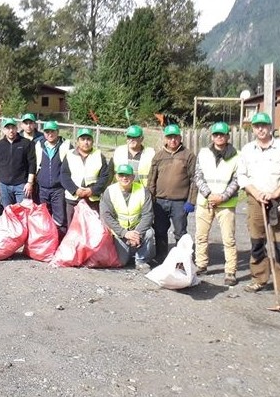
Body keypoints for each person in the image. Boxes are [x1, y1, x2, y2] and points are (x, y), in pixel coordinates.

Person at [236, 112, 280, 304]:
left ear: (270, 126)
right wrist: (256, 193)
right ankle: (259, 279)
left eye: (264, 125)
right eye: (257, 126)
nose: (260, 129)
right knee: (257, 243)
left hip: (278, 202)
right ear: (253, 128)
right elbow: (242, 176)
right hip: (255, 201)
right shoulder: (248, 150)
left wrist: (274, 193)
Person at [193, 122, 240, 285]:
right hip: (205, 201)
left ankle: (230, 271)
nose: (219, 137)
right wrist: (209, 194)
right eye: (216, 134)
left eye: (222, 134)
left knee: (228, 239)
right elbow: (198, 176)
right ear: (212, 136)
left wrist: (223, 197)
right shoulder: (203, 153)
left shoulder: (237, 155)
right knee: (200, 236)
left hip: (226, 204)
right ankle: (201, 264)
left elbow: (237, 180)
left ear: (228, 136)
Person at [147, 124, 197, 262]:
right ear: (166, 139)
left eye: (175, 137)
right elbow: (152, 179)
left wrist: (191, 201)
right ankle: (161, 256)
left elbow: (194, 179)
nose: (173, 140)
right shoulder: (158, 156)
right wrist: (150, 200)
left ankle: (181, 259)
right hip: (160, 201)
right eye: (170, 137)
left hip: (180, 202)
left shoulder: (188, 155)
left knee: (180, 232)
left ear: (180, 138)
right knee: (160, 230)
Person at [100, 164, 156, 270]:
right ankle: (131, 251)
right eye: (121, 175)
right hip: (119, 232)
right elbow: (107, 216)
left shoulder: (143, 191)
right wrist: (124, 233)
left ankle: (141, 260)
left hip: (137, 229)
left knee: (149, 233)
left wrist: (137, 233)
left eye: (128, 175)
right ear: (116, 176)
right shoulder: (110, 191)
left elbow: (148, 214)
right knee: (122, 262)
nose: (124, 178)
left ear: (133, 177)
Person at [60, 128, 111, 226]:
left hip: (92, 199)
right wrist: (75, 190)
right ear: (77, 141)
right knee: (73, 228)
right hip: (73, 199)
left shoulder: (99, 155)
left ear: (92, 141)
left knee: (91, 228)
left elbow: (104, 177)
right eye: (83, 139)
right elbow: (64, 175)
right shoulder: (69, 155)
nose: (86, 142)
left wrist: (92, 190)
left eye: (88, 139)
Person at [34, 121, 71, 236]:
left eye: (52, 131)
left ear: (57, 132)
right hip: (42, 188)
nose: (50, 134)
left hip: (58, 189)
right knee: (43, 218)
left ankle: (59, 243)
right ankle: (45, 243)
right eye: (47, 131)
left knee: (60, 219)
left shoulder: (66, 145)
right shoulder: (38, 145)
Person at [0, 118, 36, 208]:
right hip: (4, 185)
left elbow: (32, 163)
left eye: (13, 128)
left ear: (17, 128)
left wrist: (30, 183)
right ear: (4, 130)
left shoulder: (26, 143)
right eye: (8, 128)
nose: (11, 130)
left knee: (23, 213)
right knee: (8, 213)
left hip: (22, 185)